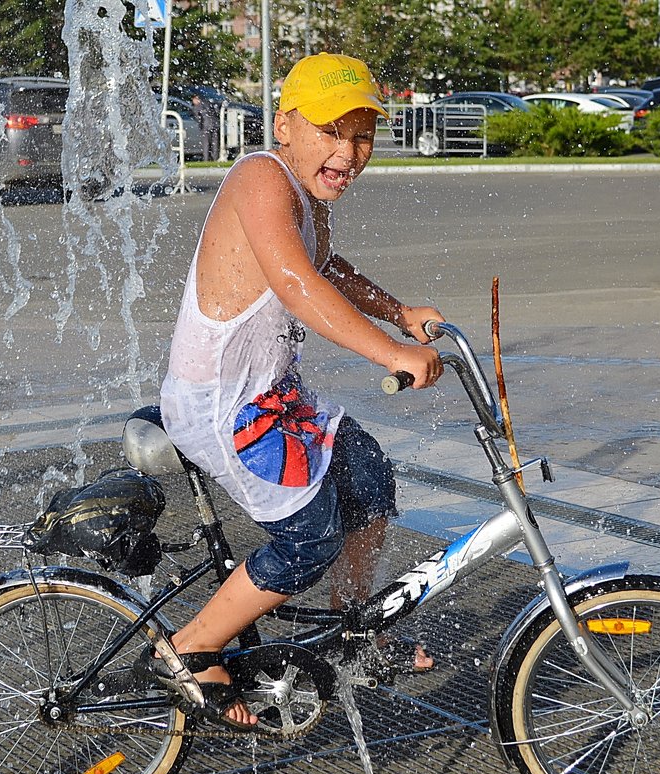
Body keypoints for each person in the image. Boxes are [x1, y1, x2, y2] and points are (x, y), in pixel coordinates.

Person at [141, 53, 444, 730]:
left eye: (362, 135)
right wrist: (392, 350)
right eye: (331, 131)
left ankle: (353, 628)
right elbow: (296, 285)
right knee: (308, 539)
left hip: (271, 396)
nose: (349, 151)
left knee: (368, 476)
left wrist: (398, 311)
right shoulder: (260, 177)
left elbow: (327, 268)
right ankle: (190, 646)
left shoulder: (307, 197)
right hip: (222, 406)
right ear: (284, 125)